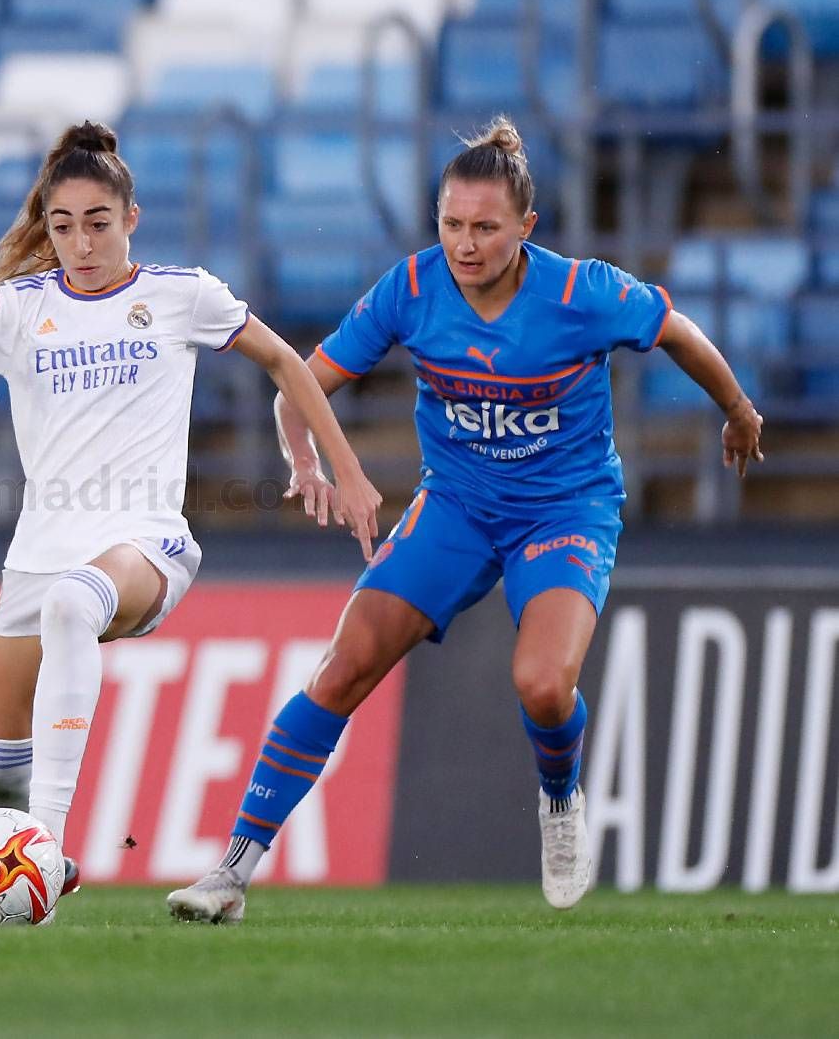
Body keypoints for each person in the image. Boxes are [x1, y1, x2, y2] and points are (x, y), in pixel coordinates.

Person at [166, 116, 765, 923]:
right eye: (452, 224)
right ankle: (232, 871)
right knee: (343, 666)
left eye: (486, 227)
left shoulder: (582, 293)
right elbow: (298, 390)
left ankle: (560, 799)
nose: (466, 244)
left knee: (543, 684)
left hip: (565, 508)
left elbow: (678, 332)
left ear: (527, 227)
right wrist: (305, 461)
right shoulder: (411, 289)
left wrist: (737, 409)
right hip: (455, 505)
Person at [0, 120, 383, 871]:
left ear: (132, 218)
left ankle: (45, 845)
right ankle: (21, 867)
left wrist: (340, 465)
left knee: (73, 603)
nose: (81, 242)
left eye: (98, 223)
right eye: (64, 225)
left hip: (145, 542)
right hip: (39, 552)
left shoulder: (182, 294)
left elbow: (283, 359)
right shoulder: (18, 308)